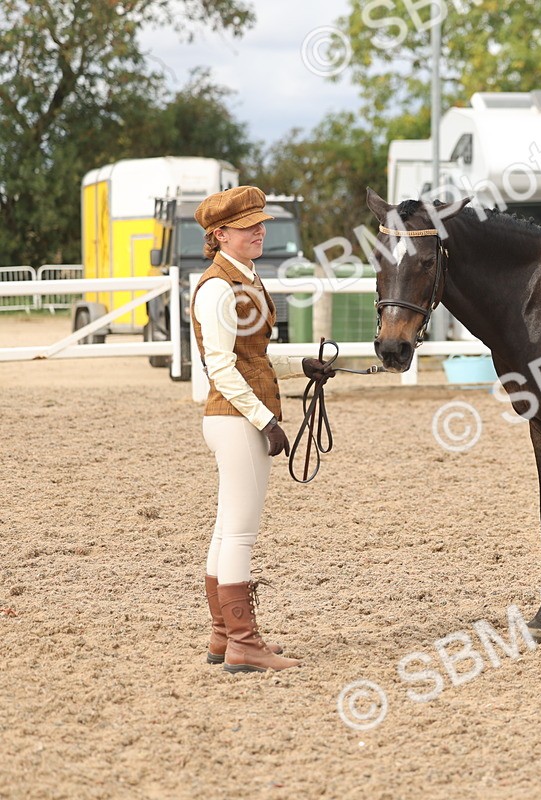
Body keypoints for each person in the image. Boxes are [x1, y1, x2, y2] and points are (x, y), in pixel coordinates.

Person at [190, 186, 335, 673]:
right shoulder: (217, 287)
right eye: (248, 225)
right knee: (240, 534)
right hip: (234, 418)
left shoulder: (244, 278)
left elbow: (253, 357)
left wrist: (301, 363)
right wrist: (266, 420)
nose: (260, 230)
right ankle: (243, 643)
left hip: (235, 416)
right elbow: (221, 366)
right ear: (220, 235)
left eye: (260, 222)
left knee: (225, 529)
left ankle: (222, 635)